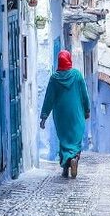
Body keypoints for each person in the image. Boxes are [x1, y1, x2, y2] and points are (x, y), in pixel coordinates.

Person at [39, 49, 91, 179]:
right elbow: (84, 94)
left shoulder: (54, 78)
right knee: (75, 139)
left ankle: (65, 167)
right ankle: (74, 158)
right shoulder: (77, 75)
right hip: (76, 113)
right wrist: (87, 109)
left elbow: (49, 98)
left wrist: (44, 116)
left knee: (64, 139)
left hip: (61, 114)